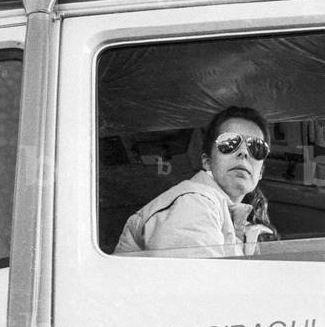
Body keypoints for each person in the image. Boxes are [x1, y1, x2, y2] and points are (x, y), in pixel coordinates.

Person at [115, 106, 278, 256]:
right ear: (207, 162)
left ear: (260, 172)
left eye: (257, 147)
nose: (244, 152)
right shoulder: (193, 203)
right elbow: (198, 277)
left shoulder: (232, 219)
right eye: (229, 143)